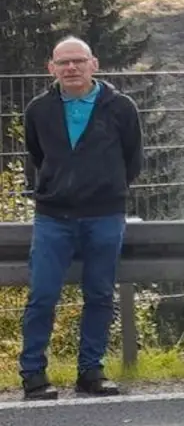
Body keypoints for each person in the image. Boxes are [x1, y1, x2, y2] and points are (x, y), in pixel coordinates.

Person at [19, 37, 143, 401]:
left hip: (105, 215)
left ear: (94, 64)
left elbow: (132, 159)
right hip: (53, 217)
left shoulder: (121, 107)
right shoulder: (38, 110)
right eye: (63, 63)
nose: (70, 68)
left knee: (100, 294)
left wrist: (106, 188)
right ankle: (33, 373)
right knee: (42, 295)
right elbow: (37, 155)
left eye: (78, 61)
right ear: (51, 68)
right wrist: (58, 188)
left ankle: (91, 370)